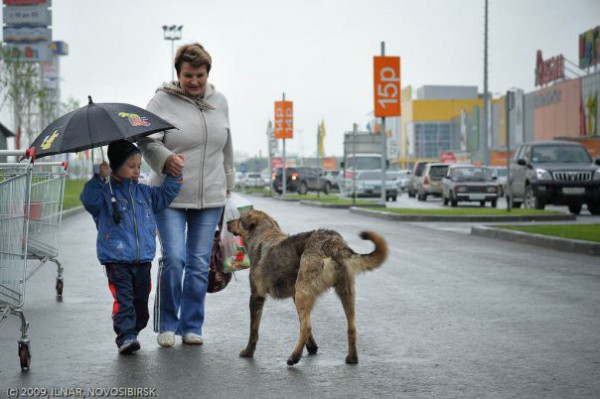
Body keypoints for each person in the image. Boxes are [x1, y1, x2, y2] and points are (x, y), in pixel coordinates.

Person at [138, 42, 235, 348]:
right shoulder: (162, 100)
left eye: (200, 75)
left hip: (211, 197)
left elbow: (227, 146)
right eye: (188, 75)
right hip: (171, 196)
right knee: (175, 258)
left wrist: (228, 184)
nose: (194, 81)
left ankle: (192, 325)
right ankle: (167, 323)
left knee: (198, 263)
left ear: (208, 74)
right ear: (178, 73)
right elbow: (145, 139)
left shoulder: (220, 101)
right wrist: (165, 157)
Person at [80, 140, 182, 354]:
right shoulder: (106, 193)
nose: (137, 170)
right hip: (117, 259)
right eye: (131, 166)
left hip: (142, 259)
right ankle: (126, 335)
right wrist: (99, 178)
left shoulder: (144, 193)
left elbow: (163, 197)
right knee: (124, 299)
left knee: (140, 303)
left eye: (138, 165)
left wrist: (175, 177)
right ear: (116, 166)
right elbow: (89, 200)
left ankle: (133, 330)